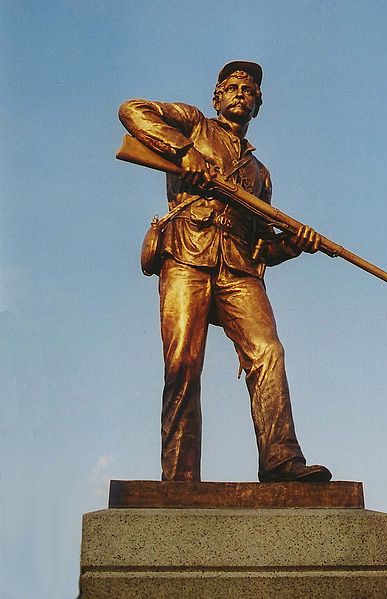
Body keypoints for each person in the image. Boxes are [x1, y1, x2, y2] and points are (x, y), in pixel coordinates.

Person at [119, 61, 331, 483]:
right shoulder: (194, 125)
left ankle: (281, 460)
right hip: (187, 253)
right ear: (217, 97)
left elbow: (262, 247)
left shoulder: (260, 174)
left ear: (257, 105)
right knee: (183, 363)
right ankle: (179, 476)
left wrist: (294, 243)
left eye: (248, 91)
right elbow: (132, 109)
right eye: (232, 87)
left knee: (268, 351)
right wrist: (184, 151)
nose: (240, 93)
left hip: (237, 268)